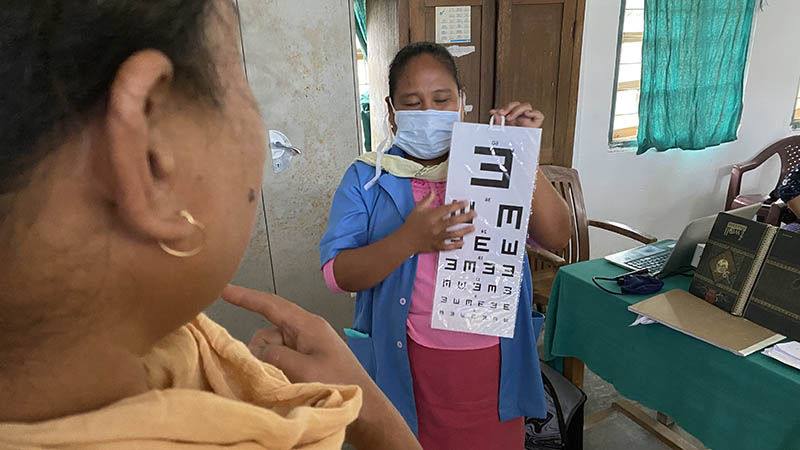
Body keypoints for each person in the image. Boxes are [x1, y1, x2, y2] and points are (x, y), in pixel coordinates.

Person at [0, 2, 420, 449]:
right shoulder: (364, 175)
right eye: (239, 81)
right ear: (152, 152)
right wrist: (373, 417)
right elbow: (340, 270)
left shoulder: (186, 351)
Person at [319, 42, 572, 449]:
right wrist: (408, 241)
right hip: (410, 358)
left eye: (441, 99)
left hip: (494, 359)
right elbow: (336, 274)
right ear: (391, 108)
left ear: (462, 102)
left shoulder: (492, 162)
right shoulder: (367, 177)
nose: (428, 113)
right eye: (412, 102)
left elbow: (557, 235)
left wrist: (526, 155)